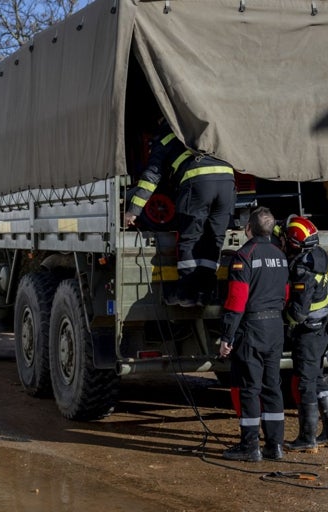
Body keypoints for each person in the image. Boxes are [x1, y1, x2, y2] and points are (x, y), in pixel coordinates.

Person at [124, 119, 236, 307]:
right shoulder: (207, 129)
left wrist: (133, 210)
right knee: (214, 239)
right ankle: (205, 293)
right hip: (228, 182)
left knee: (190, 237)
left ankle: (185, 293)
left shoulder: (167, 136)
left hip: (199, 182)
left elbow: (151, 177)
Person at [216, 207, 289, 462]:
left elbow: (236, 301)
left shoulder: (244, 255)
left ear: (248, 228)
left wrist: (227, 337)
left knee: (249, 388)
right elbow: (286, 294)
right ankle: (274, 445)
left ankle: (249, 447)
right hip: (275, 328)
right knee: (272, 387)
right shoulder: (281, 256)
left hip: (252, 328)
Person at [281, 215, 328, 453]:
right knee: (317, 379)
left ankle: (307, 438)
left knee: (306, 384)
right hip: (323, 329)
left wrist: (283, 321)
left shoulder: (303, 269)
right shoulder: (319, 256)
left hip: (308, 332)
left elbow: (299, 312)